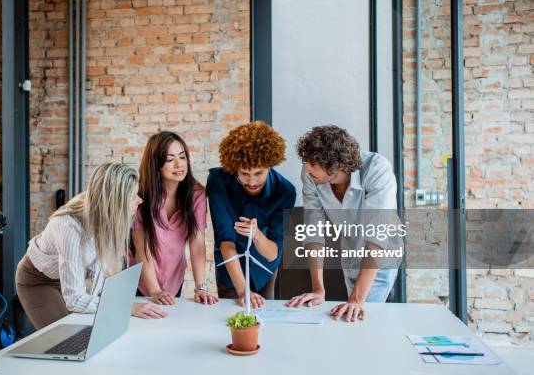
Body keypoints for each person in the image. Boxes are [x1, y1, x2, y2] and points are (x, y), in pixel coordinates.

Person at [16, 162, 167, 330]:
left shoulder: (108, 217)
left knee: (91, 329)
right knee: (64, 340)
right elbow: (75, 300)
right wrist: (126, 307)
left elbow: (100, 273)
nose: (140, 200)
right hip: (38, 280)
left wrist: (119, 304)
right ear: (114, 200)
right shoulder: (69, 226)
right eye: (133, 196)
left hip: (69, 279)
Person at [286, 125, 402, 322]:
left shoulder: (377, 169)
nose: (307, 168)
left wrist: (356, 299)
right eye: (306, 161)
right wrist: (318, 290)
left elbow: (377, 236)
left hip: (381, 253)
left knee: (361, 316)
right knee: (352, 314)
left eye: (313, 164)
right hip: (349, 250)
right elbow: (313, 230)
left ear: (337, 165)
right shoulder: (311, 175)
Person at [207, 121, 296, 308]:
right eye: (244, 174)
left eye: (259, 173)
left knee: (266, 321)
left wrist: (256, 235)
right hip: (231, 272)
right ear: (234, 168)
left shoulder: (285, 191)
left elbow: (273, 253)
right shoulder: (218, 182)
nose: (252, 181)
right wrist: (242, 289)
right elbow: (225, 239)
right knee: (231, 318)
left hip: (265, 270)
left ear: (270, 165)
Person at [129, 131, 218, 305]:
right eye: (170, 160)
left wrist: (201, 287)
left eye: (182, 157)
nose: (179, 164)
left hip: (173, 278)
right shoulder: (140, 195)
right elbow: (142, 250)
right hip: (139, 279)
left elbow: (197, 243)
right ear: (156, 164)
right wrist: (154, 290)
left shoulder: (196, 194)